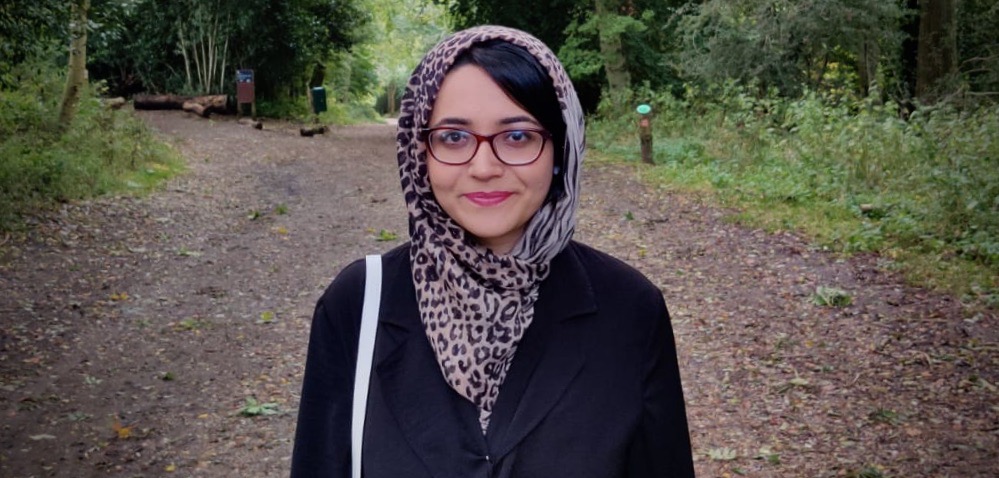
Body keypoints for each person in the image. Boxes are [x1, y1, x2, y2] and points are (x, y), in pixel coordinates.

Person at [291, 25, 695, 478]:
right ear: (417, 151)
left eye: (518, 137)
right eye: (453, 138)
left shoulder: (630, 311)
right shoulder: (358, 304)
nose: (484, 168)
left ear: (561, 148)